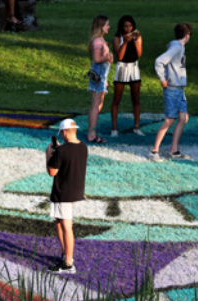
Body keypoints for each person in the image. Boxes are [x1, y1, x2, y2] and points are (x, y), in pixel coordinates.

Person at [45, 119, 88, 274]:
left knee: (66, 227)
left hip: (63, 192)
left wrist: (49, 154)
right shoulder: (83, 147)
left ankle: (68, 263)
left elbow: (52, 172)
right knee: (58, 221)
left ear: (63, 133)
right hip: (74, 190)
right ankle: (65, 253)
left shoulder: (61, 151)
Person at [149, 23, 193, 162]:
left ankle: (174, 150)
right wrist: (162, 78)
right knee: (170, 119)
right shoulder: (177, 47)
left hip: (179, 89)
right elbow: (159, 61)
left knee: (183, 118)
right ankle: (154, 151)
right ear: (187, 35)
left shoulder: (178, 46)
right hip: (173, 89)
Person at [110, 15, 144, 137]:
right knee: (116, 99)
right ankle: (114, 129)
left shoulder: (137, 37)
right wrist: (125, 42)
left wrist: (135, 41)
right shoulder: (117, 38)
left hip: (134, 67)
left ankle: (137, 127)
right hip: (122, 68)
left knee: (136, 99)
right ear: (121, 27)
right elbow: (119, 56)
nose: (128, 29)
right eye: (125, 26)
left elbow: (139, 54)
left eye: (130, 26)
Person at [87, 15, 113, 144]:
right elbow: (97, 59)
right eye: (107, 24)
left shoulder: (100, 40)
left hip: (101, 76)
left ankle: (92, 132)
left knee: (98, 104)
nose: (109, 27)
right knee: (96, 105)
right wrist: (108, 57)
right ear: (101, 26)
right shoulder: (98, 41)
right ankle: (91, 134)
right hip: (98, 75)